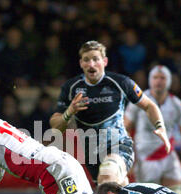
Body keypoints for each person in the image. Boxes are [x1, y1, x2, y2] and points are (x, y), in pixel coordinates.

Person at [50, 40, 171, 186]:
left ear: (104, 61)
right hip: (92, 154)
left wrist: (160, 126)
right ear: (81, 63)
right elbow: (55, 127)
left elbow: (149, 105)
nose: (91, 64)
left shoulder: (120, 82)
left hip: (119, 145)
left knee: (107, 175)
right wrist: (69, 112)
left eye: (96, 59)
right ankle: (125, 188)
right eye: (87, 60)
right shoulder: (71, 88)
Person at [125, 65, 181, 194]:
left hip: (169, 156)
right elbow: (125, 128)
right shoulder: (138, 100)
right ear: (150, 80)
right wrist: (129, 157)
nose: (158, 81)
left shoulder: (177, 104)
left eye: (162, 78)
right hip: (145, 159)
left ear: (169, 81)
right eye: (155, 77)